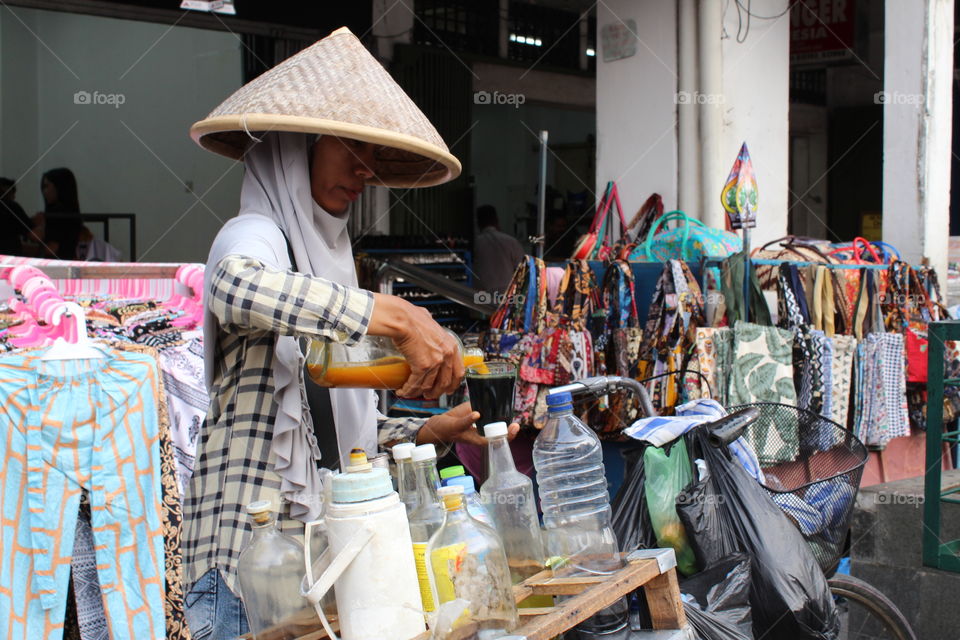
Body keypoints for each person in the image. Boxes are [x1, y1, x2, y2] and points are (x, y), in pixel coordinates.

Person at [182, 28, 517, 640]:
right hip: (244, 570)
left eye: (374, 157)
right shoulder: (252, 235)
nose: (365, 172)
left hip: (321, 567)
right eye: (349, 149)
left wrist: (425, 430)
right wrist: (396, 316)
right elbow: (234, 286)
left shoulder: (329, 268)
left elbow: (330, 440)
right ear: (296, 147)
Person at [473, 204, 525, 300]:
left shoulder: (476, 243)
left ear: (478, 222)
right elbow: (523, 269)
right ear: (496, 220)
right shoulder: (511, 241)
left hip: (481, 297)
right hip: (507, 296)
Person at [34, 167, 83, 260]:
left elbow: (52, 248)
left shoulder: (61, 216)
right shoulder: (70, 214)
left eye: (47, 186)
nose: (44, 192)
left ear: (59, 187)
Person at [0, 178, 30, 256]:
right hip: (10, 257)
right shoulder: (12, 207)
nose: (14, 197)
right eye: (13, 193)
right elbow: (33, 233)